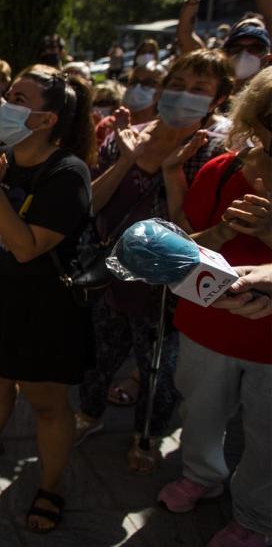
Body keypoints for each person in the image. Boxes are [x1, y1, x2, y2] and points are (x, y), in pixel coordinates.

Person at [0, 66, 96, 534]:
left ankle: (51, 487)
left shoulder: (67, 173)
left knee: (48, 404)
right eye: (8, 93)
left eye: (19, 96)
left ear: (46, 119)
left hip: (39, 308)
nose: (4, 102)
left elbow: (26, 246)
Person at [76, 50, 233, 472]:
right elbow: (91, 203)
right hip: (112, 274)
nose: (183, 96)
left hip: (167, 289)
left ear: (217, 100)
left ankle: (145, 435)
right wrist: (128, 159)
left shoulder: (215, 153)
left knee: (158, 369)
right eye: (177, 85)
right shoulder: (126, 135)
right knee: (97, 355)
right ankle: (88, 415)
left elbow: (196, 232)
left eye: (199, 89)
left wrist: (170, 174)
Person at [157, 69, 272, 547]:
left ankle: (255, 519)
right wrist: (227, 232)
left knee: (266, 437)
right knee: (200, 413)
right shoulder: (222, 168)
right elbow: (188, 247)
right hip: (206, 328)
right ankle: (202, 476)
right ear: (253, 117)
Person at [178, 0, 272, 87]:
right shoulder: (215, 77)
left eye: (255, 47)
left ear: (268, 55)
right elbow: (185, 35)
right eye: (237, 47)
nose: (244, 54)